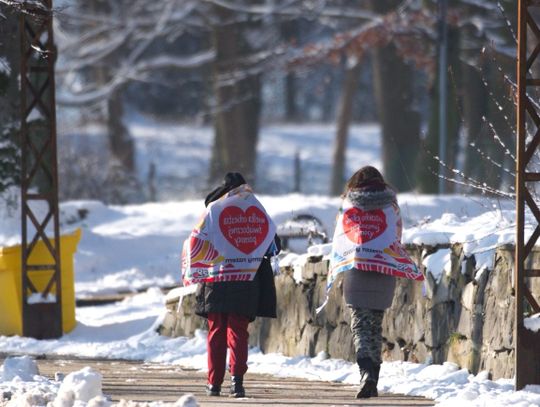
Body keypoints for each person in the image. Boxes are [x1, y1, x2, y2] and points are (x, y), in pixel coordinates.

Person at [181, 172, 280, 398]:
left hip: (215, 279)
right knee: (238, 332)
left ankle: (214, 383)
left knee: (216, 332)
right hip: (245, 280)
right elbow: (274, 245)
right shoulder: (256, 210)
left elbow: (196, 241)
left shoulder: (212, 210)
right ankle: (237, 382)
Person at [328, 166, 423, 399]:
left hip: (357, 270)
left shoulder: (348, 206)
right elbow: (396, 238)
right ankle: (372, 376)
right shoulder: (391, 208)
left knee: (360, 325)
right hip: (383, 271)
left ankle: (366, 373)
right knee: (375, 325)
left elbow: (340, 239)